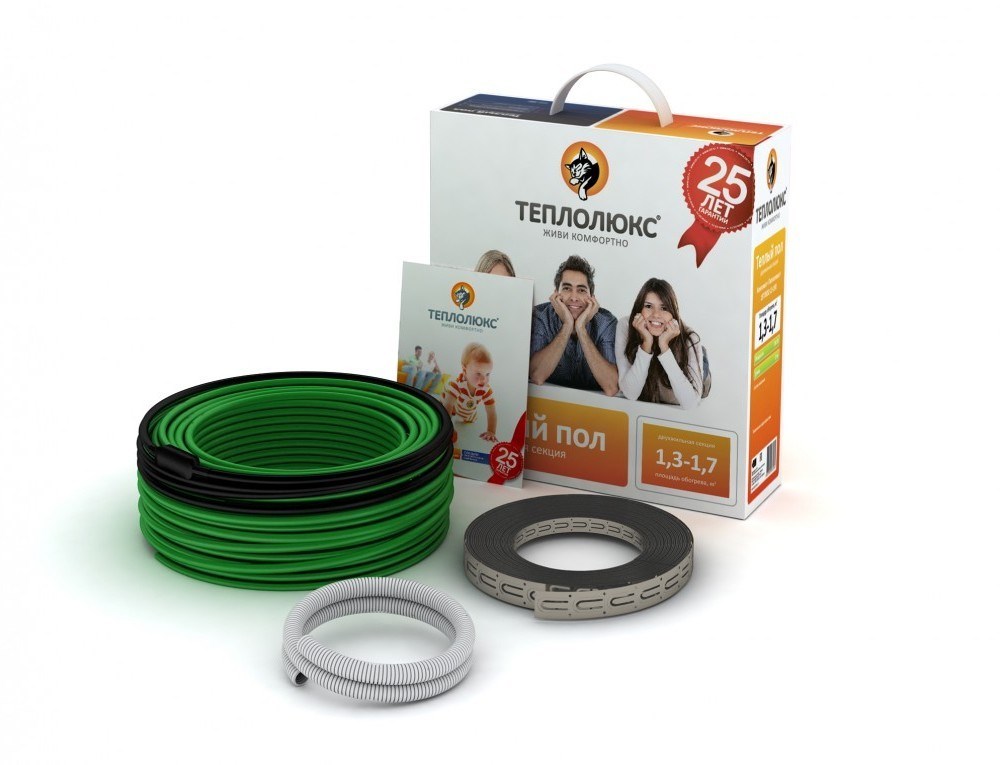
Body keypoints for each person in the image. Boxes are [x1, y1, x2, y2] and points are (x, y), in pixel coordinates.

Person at [529, 255, 618, 395]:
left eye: (581, 290)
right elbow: (537, 376)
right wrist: (567, 326)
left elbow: (611, 387)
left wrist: (581, 329)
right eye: (567, 288)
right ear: (556, 293)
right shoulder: (540, 316)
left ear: (592, 297)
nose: (574, 297)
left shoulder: (606, 322)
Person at [615, 278, 705, 409]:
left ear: (673, 313)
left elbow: (690, 403)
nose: (656, 314)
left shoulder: (690, 338)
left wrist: (664, 347)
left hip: (685, 359)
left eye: (664, 308)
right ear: (639, 308)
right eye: (648, 306)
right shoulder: (625, 326)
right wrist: (646, 343)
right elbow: (630, 393)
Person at [443, 343, 498, 442]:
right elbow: (448, 405)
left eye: (487, 374)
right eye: (478, 373)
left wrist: (491, 431)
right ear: (464, 370)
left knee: (469, 426)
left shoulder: (486, 390)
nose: (483, 379)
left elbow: (491, 412)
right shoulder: (457, 384)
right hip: (455, 410)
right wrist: (447, 427)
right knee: (446, 404)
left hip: (470, 415)